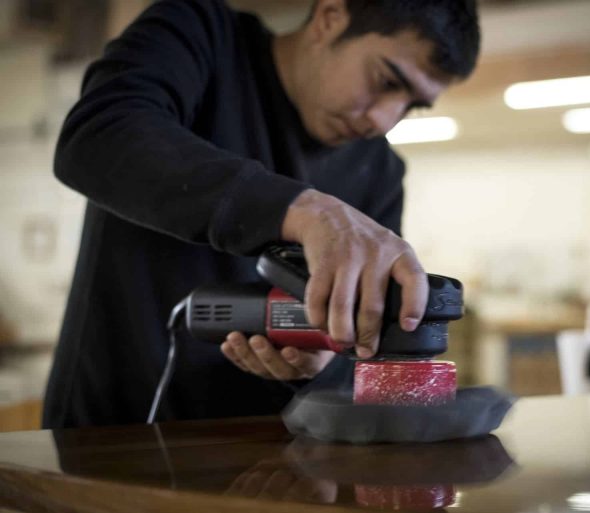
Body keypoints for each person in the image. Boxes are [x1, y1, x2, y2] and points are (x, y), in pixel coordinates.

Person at [42, 0, 480, 428]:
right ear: (329, 18)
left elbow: (364, 354)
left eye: (411, 105)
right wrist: (305, 210)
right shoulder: (200, 34)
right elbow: (98, 137)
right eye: (385, 80)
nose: (385, 120)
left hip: (266, 456)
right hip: (108, 435)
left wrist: (322, 366)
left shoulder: (380, 172)